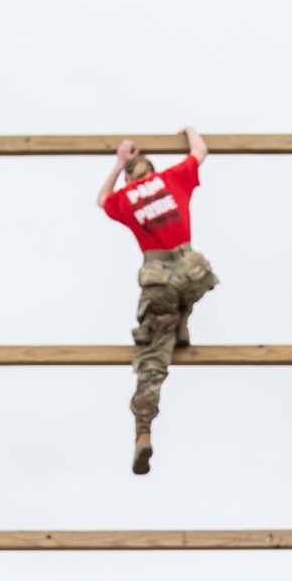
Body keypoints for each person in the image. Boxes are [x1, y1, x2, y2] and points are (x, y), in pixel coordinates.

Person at [98, 128, 218, 476]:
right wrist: (188, 130)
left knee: (152, 360)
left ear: (129, 176)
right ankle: (184, 318)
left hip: (158, 279)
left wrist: (119, 164)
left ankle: (143, 432)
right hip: (192, 271)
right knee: (194, 279)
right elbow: (200, 150)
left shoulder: (127, 196)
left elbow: (101, 198)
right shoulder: (172, 177)